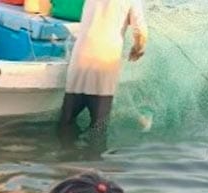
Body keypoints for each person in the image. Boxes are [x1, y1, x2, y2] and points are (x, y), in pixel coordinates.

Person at [59, 0, 148, 148]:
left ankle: (63, 159)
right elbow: (141, 33)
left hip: (80, 58)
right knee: (98, 128)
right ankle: (94, 161)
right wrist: (138, 50)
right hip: (105, 63)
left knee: (66, 122)